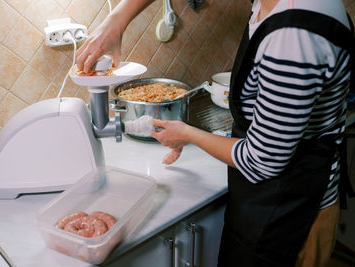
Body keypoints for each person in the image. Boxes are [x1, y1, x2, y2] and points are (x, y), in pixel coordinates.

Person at [77, 0, 355, 266]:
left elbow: (262, 162)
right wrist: (117, 21)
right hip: (272, 196)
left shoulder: (294, 37)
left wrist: (188, 134)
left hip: (292, 210)